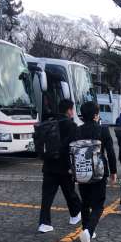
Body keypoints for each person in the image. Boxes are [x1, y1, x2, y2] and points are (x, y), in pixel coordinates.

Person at [75, 102, 117, 242]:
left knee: (85, 202)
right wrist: (113, 171)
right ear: (95, 115)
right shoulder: (103, 130)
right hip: (99, 171)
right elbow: (110, 152)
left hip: (82, 170)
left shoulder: (77, 130)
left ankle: (85, 229)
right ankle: (89, 231)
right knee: (98, 204)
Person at [38, 99, 82, 233]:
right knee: (70, 192)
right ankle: (75, 215)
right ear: (69, 110)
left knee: (47, 196)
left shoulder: (49, 122)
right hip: (64, 167)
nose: (72, 112)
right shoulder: (71, 125)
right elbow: (75, 147)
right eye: (72, 110)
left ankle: (44, 223)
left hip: (49, 165)